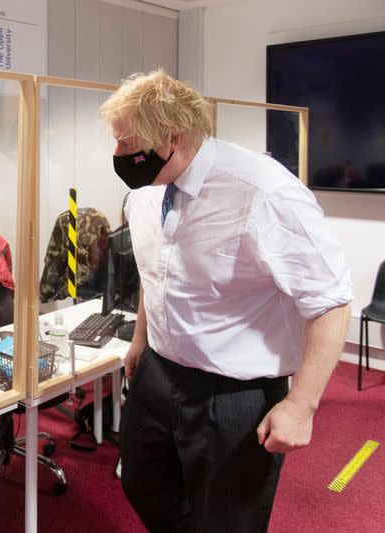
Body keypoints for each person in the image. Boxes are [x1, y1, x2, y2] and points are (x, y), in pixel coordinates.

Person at [99, 70, 352, 532]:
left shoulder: (263, 192)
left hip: (234, 393)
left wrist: (302, 405)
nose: (117, 156)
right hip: (159, 371)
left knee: (227, 520)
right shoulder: (145, 191)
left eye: (127, 144)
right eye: (115, 141)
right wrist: (140, 339)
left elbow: (330, 301)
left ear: (174, 137)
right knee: (141, 483)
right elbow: (155, 273)